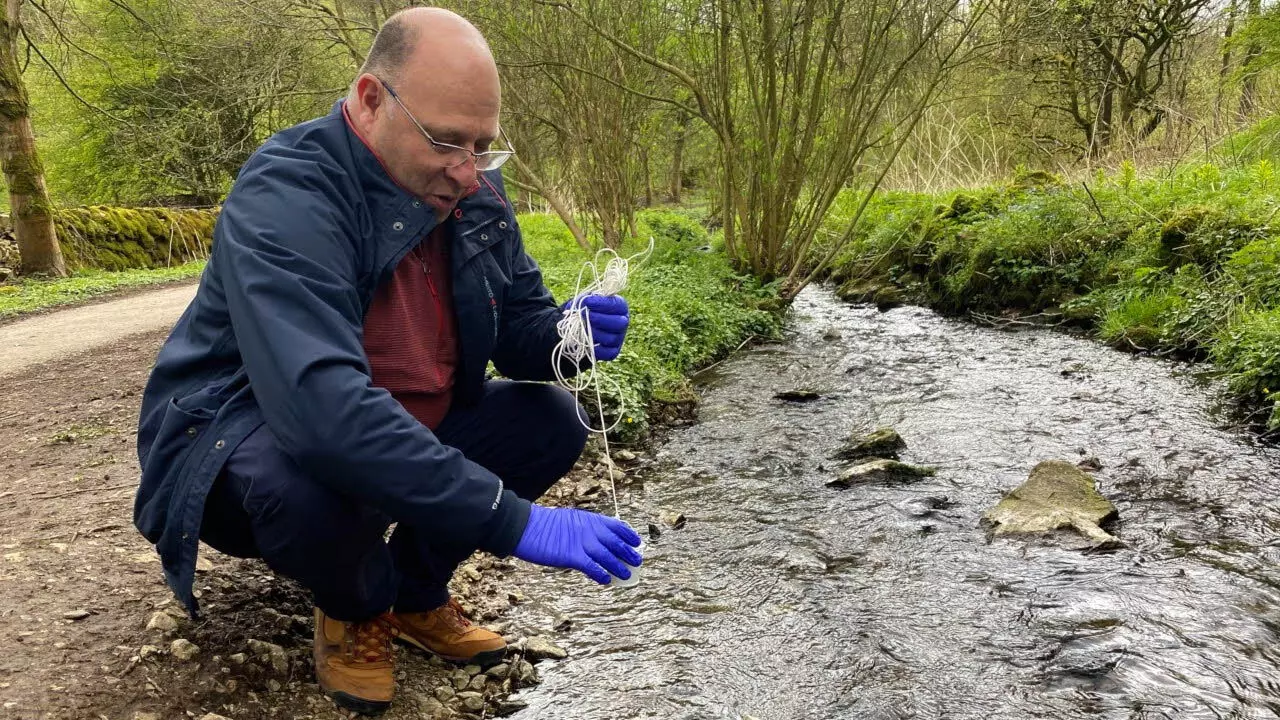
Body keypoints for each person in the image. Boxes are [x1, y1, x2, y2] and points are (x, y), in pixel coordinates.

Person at [133, 7, 642, 715]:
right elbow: (322, 414)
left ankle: (412, 592)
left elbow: (519, 328)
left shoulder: (477, 192)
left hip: (409, 423)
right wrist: (513, 520)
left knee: (551, 419)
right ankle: (357, 603)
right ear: (371, 99)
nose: (467, 171)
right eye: (446, 142)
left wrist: (568, 336)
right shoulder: (290, 192)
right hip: (244, 441)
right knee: (301, 488)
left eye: (483, 147)